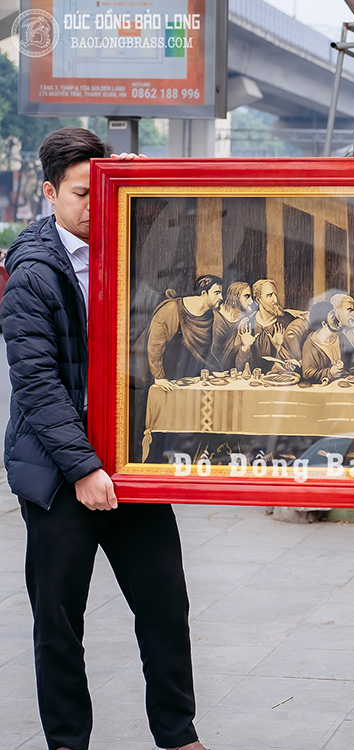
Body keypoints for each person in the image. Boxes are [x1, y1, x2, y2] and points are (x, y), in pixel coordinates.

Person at [0, 128, 207, 750]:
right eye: (81, 194)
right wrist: (85, 469)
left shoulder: (128, 239)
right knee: (59, 620)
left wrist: (150, 184)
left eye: (103, 189)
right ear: (50, 194)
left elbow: (190, 235)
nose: (95, 205)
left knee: (165, 605)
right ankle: (68, 742)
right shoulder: (31, 273)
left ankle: (179, 735)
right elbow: (36, 384)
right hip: (59, 472)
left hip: (131, 460)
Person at [146, 274, 224, 390]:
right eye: (217, 293)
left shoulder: (211, 315)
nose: (221, 297)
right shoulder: (172, 309)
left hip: (195, 378)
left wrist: (214, 369)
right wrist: (159, 377)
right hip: (170, 377)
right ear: (204, 293)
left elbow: (205, 351)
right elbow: (155, 344)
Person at [232, 278, 297, 373]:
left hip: (278, 379)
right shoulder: (246, 324)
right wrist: (245, 348)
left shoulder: (288, 322)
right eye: (270, 295)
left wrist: (279, 347)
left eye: (275, 294)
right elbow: (239, 368)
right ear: (258, 299)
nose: (275, 299)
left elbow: (294, 367)